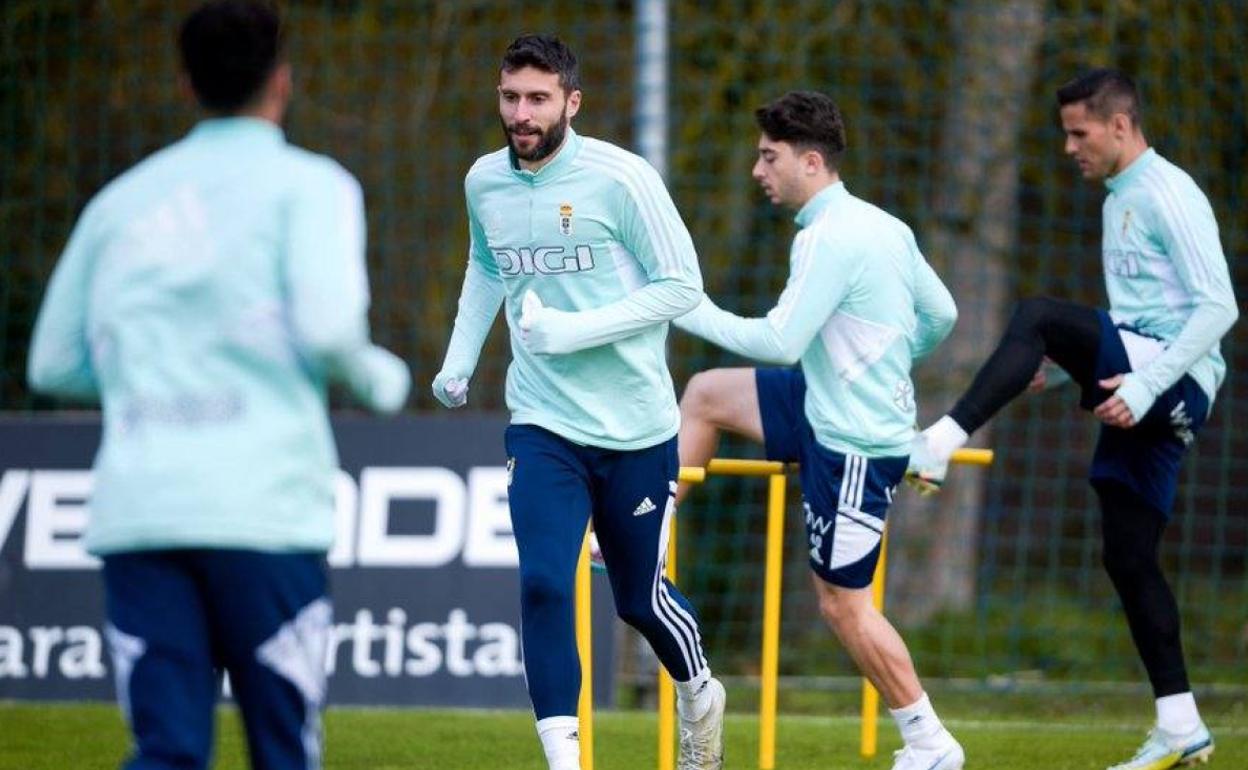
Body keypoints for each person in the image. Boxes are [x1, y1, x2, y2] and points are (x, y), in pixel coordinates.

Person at [26, 2, 410, 768]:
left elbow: (51, 364)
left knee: (166, 750)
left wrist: (153, 376)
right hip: (263, 514)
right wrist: (382, 378)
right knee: (282, 750)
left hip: (144, 514)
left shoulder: (121, 200)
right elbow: (331, 330)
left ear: (184, 83)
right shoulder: (312, 186)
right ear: (282, 79)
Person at [907, 68, 1235, 770]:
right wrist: (1060, 372)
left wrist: (1144, 385)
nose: (1069, 148)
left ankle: (939, 441)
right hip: (1147, 382)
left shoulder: (1168, 193)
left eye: (1079, 133)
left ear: (1121, 125)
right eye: (1065, 134)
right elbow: (1141, 317)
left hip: (1174, 386)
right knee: (1128, 555)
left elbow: (1218, 308)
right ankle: (1182, 727)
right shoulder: (1118, 199)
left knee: (1039, 314)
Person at [431, 34, 724, 770]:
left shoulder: (621, 179)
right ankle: (567, 762)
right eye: (509, 97)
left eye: (537, 98)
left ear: (571, 101)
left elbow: (682, 287)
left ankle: (699, 697)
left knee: (638, 601)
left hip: (636, 429)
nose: (521, 114)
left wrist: (575, 329)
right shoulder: (483, 182)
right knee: (541, 581)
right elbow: (486, 264)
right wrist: (459, 359)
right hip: (541, 422)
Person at [674, 91, 964, 770]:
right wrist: (881, 360)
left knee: (844, 607)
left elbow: (778, 340)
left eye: (769, 157)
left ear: (811, 161)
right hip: (820, 406)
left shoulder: (828, 235)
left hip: (856, 445)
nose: (757, 170)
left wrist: (684, 307)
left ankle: (929, 741)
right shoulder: (883, 226)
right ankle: (649, 521)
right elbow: (942, 314)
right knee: (707, 394)